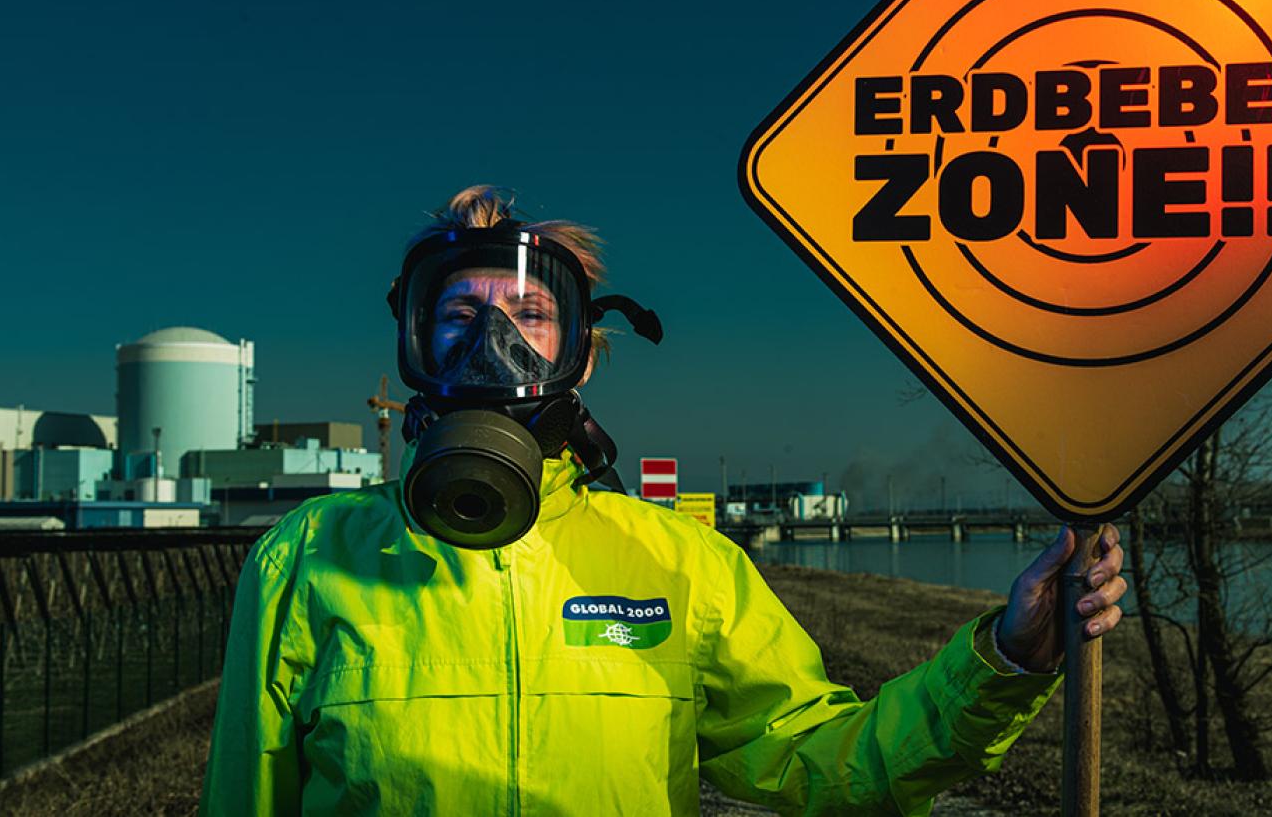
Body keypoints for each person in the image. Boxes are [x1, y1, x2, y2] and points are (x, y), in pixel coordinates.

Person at [200, 185, 1127, 816]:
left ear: (583, 353)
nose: (494, 345)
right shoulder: (306, 560)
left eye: (528, 318)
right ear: (414, 346)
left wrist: (1005, 660)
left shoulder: (679, 565)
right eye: (459, 316)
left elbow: (831, 766)